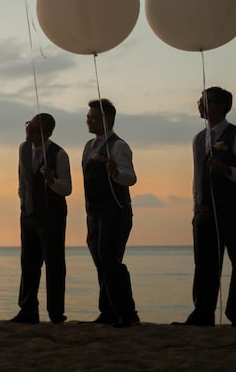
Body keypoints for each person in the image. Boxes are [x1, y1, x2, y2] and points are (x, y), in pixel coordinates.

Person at [178, 87, 236, 326]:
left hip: (232, 208)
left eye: (206, 101)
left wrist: (226, 170)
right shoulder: (199, 138)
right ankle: (202, 314)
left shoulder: (234, 134)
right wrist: (196, 206)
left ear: (222, 106)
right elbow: (197, 175)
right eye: (199, 101)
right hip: (204, 210)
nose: (200, 105)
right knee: (204, 264)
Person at [82, 98, 140, 328]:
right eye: (88, 116)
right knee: (100, 260)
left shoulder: (118, 146)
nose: (88, 120)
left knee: (110, 259)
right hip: (94, 213)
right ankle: (108, 311)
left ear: (108, 119)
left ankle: (127, 313)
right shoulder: (89, 146)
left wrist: (115, 172)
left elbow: (131, 178)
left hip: (116, 211)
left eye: (93, 117)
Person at [11, 113, 71, 325]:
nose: (29, 131)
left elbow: (67, 189)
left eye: (35, 129)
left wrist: (51, 181)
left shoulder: (59, 154)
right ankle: (27, 309)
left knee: (54, 264)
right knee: (28, 262)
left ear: (47, 134)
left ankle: (56, 313)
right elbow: (22, 179)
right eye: (29, 125)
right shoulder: (23, 149)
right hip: (28, 214)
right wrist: (23, 202)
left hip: (51, 215)